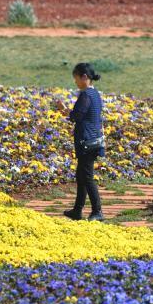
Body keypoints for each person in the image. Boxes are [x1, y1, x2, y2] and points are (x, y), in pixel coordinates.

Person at [55, 63, 105, 221]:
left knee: (87, 177)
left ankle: (97, 211)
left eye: (76, 78)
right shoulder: (95, 94)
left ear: (84, 77)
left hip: (87, 141)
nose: (75, 82)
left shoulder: (86, 95)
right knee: (81, 176)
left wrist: (64, 109)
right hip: (94, 138)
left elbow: (76, 116)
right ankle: (77, 210)